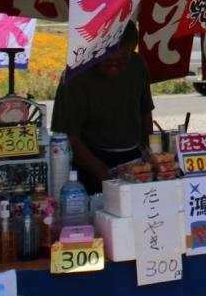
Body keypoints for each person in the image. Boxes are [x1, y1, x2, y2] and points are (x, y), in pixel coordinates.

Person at [50, 22, 154, 193]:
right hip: (90, 160)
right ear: (96, 49)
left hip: (134, 157)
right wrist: (101, 172)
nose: (115, 67)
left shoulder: (138, 65)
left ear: (132, 50)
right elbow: (67, 135)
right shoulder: (75, 76)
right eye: (109, 61)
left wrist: (150, 154)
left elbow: (145, 112)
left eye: (122, 61)